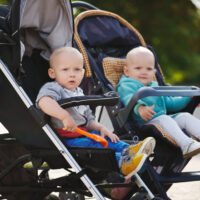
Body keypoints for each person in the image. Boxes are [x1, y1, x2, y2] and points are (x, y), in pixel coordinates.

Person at [36, 46, 156, 177]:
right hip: (67, 139)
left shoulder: (79, 92)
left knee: (104, 138)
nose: (71, 74)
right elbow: (44, 102)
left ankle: (130, 151)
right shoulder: (53, 88)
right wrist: (63, 116)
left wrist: (100, 127)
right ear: (52, 73)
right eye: (65, 70)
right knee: (92, 146)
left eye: (76, 70)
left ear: (82, 73)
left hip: (84, 133)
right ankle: (122, 162)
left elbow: (88, 118)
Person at [117, 46, 200, 159]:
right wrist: (140, 108)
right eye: (138, 68)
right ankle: (186, 144)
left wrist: (189, 98)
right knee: (164, 119)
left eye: (149, 69)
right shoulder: (127, 85)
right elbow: (128, 98)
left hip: (163, 121)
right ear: (127, 71)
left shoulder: (154, 86)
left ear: (154, 72)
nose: (144, 72)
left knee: (185, 116)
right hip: (143, 125)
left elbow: (171, 103)